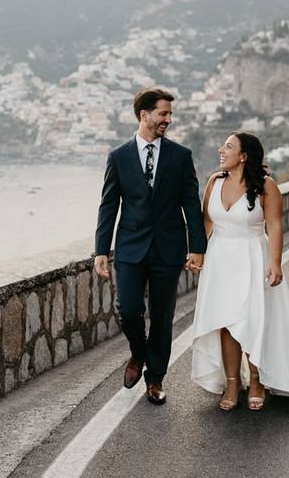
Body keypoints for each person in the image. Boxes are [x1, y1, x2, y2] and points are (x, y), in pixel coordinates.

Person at [188, 131, 289, 411]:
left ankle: (257, 380)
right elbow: (207, 221)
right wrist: (197, 251)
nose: (221, 150)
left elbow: (274, 225)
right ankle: (233, 382)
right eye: (223, 145)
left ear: (244, 156)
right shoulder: (214, 181)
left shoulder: (266, 186)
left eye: (229, 147)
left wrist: (275, 262)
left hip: (251, 257)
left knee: (251, 319)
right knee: (224, 322)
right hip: (220, 260)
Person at [94, 88, 206, 405]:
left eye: (170, 115)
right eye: (163, 114)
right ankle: (137, 354)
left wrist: (197, 247)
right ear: (144, 115)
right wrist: (101, 250)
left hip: (168, 249)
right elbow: (108, 206)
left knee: (162, 316)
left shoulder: (180, 155)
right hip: (129, 248)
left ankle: (155, 379)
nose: (168, 120)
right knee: (128, 309)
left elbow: (190, 203)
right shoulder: (119, 156)